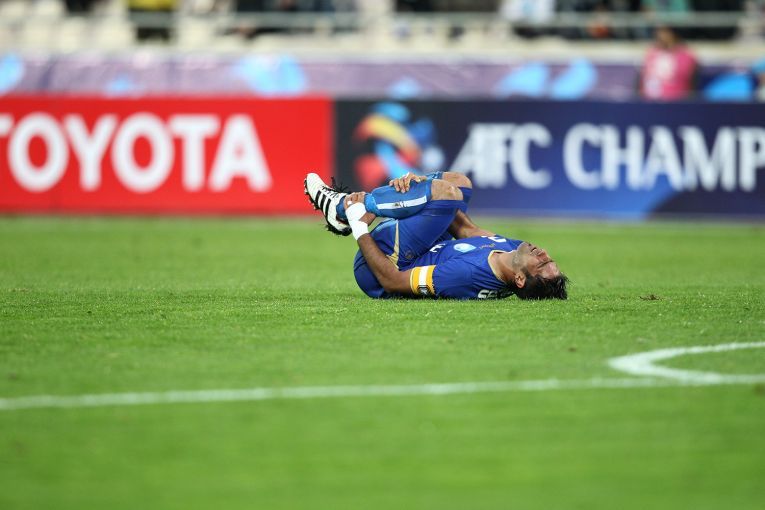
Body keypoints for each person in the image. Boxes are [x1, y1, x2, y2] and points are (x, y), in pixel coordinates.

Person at [304, 171, 568, 300]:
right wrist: (417, 186)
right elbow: (466, 230)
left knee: (446, 194)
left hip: (382, 264)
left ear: (520, 279)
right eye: (549, 258)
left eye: (541, 263)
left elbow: (393, 282)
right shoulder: (511, 249)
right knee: (459, 184)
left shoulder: (467, 274)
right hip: (421, 248)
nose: (543, 253)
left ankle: (342, 209)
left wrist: (359, 227)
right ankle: (363, 207)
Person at [639, 25, 698, 100]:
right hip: (650, 100)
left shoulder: (685, 55)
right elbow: (644, 77)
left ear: (673, 34)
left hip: (675, 99)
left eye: (665, 33)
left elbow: (684, 79)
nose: (661, 36)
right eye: (659, 33)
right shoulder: (652, 53)